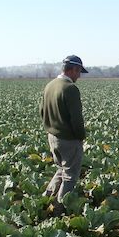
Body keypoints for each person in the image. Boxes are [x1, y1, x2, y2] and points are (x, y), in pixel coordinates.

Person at [40, 55, 88, 211]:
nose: (79, 75)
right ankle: (59, 209)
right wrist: (81, 137)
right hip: (68, 139)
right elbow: (76, 118)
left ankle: (45, 200)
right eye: (79, 71)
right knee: (70, 176)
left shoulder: (50, 85)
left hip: (52, 136)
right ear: (73, 69)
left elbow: (42, 111)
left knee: (61, 170)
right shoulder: (70, 89)